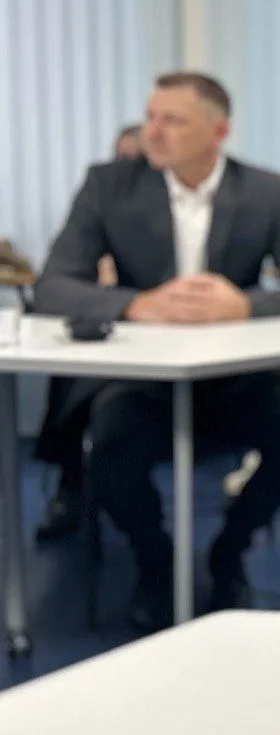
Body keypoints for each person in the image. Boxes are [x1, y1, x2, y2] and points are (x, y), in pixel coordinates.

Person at [34, 72, 280, 630]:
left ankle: (229, 552)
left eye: (172, 120)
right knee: (111, 453)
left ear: (218, 132)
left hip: (237, 375)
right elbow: (53, 286)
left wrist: (243, 305)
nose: (152, 131)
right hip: (143, 378)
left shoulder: (264, 190)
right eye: (151, 117)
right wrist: (137, 303)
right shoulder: (108, 184)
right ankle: (156, 559)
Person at [32, 121, 147, 543]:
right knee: (70, 378)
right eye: (121, 158)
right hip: (110, 333)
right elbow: (61, 283)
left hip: (158, 343)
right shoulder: (101, 206)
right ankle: (70, 487)